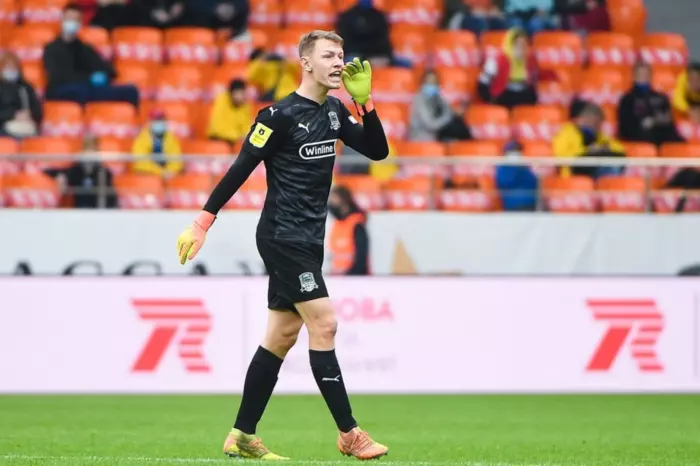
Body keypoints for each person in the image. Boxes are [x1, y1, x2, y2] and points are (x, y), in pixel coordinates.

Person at [176, 30, 389, 460]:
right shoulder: (277, 116)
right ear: (305, 63)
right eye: (328, 56)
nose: (338, 63)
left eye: (341, 55)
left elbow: (377, 151)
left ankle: (242, 435)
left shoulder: (334, 111)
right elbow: (240, 168)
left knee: (281, 336)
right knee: (324, 324)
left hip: (310, 240)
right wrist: (202, 222)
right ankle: (350, 432)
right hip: (281, 236)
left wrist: (364, 103)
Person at [43, 4, 139, 107]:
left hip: (87, 90)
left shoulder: (84, 48)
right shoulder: (51, 48)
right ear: (62, 20)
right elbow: (58, 77)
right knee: (80, 91)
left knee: (130, 91)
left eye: (75, 20)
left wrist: (102, 76)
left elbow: (108, 70)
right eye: (69, 19)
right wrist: (89, 78)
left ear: (80, 23)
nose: (72, 22)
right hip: (61, 91)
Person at [478, 27, 554, 109]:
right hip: (503, 99)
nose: (521, 49)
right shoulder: (496, 60)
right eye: (518, 45)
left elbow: (534, 81)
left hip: (525, 100)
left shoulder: (531, 61)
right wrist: (491, 101)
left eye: (524, 45)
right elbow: (483, 84)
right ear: (510, 45)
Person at [44, 134, 118, 208]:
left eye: (92, 147)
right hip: (79, 209)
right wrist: (61, 176)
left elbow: (111, 197)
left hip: (97, 210)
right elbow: (55, 172)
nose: (89, 151)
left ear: (97, 149)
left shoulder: (104, 172)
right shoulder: (77, 169)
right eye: (87, 147)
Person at [553, 102, 625, 178]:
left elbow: (620, 149)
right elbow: (562, 156)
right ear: (582, 119)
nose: (594, 126)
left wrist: (604, 147)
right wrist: (588, 150)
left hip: (597, 171)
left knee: (613, 163)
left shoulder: (599, 135)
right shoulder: (566, 133)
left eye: (598, 123)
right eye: (591, 121)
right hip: (574, 173)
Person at [618, 62, 682, 146]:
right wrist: (642, 123)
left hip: (661, 135)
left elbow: (668, 122)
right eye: (640, 75)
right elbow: (625, 128)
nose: (643, 78)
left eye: (646, 75)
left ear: (651, 76)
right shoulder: (627, 99)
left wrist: (655, 121)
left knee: (678, 142)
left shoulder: (661, 98)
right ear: (633, 77)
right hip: (638, 138)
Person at [409, 69, 472, 142]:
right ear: (422, 84)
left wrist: (456, 112)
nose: (431, 86)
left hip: (437, 137)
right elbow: (430, 124)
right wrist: (449, 115)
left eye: (434, 83)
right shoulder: (418, 99)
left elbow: (447, 109)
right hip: (421, 139)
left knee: (459, 125)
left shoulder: (437, 98)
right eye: (428, 83)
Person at [328, 185, 370, 275]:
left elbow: (361, 256)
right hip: (338, 276)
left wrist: (350, 274)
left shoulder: (356, 224)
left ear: (344, 201)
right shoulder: (337, 225)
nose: (332, 204)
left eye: (334, 200)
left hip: (354, 277)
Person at [0, 51, 42, 139]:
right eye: (8, 67)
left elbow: (38, 110)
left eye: (13, 67)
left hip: (27, 127)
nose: (11, 70)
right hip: (4, 128)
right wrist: (14, 115)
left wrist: (29, 114)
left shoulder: (26, 87)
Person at [336, 0, 392, 65]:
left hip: (376, 54)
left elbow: (383, 39)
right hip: (353, 53)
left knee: (381, 61)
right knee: (352, 61)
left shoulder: (379, 16)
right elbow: (345, 38)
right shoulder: (348, 16)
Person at [131, 109, 183, 178]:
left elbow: (176, 160)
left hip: (169, 175)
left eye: (161, 120)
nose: (159, 123)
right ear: (149, 122)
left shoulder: (171, 138)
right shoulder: (141, 139)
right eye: (156, 120)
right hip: (147, 175)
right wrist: (161, 173)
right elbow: (142, 162)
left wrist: (170, 172)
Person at [207, 79, 253, 146]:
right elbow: (217, 129)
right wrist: (237, 136)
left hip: (235, 141)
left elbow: (245, 128)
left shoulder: (246, 106)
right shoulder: (221, 101)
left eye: (242, 93)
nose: (239, 96)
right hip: (218, 139)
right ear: (231, 93)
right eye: (237, 93)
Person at [495, 141, 538, 211]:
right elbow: (503, 184)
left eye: (517, 151)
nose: (516, 154)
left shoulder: (525, 167)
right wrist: (515, 169)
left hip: (531, 204)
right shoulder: (503, 167)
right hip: (512, 205)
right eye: (513, 151)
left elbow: (534, 183)